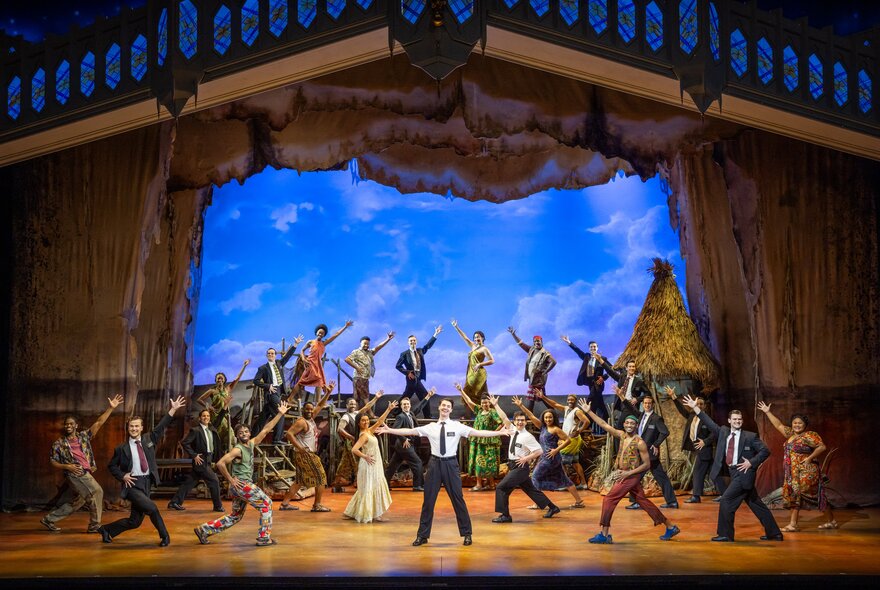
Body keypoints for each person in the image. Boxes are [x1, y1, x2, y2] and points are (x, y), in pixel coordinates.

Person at [377, 397, 508, 546]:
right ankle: (422, 535)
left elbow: (478, 433)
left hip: (451, 465)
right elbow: (411, 431)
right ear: (439, 408)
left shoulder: (457, 426)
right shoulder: (431, 426)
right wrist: (389, 430)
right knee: (428, 501)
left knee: (458, 500)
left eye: (448, 406)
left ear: (451, 410)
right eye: (443, 405)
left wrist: (498, 433)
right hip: (434, 465)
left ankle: (467, 534)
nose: (445, 408)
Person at [577, 399, 681, 544]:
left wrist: (628, 474)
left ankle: (604, 534)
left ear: (636, 426)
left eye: (632, 423)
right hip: (624, 474)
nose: (630, 425)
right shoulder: (622, 435)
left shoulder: (640, 442)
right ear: (624, 425)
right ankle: (670, 527)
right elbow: (603, 424)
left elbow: (646, 465)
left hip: (630, 476)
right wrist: (588, 412)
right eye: (627, 423)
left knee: (609, 499)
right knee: (642, 501)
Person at [681, 395, 783, 542]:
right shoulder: (723, 432)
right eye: (734, 419)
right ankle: (775, 533)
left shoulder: (750, 436)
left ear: (742, 421)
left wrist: (751, 462)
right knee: (756, 504)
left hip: (743, 474)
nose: (737, 421)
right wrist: (695, 407)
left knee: (726, 501)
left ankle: (726, 535)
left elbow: (765, 451)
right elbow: (709, 422)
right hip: (733, 472)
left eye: (739, 419)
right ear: (729, 421)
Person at [193, 400, 291, 547]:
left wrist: (280, 414)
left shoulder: (251, 444)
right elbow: (220, 463)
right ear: (238, 436)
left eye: (246, 432)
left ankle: (204, 529)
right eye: (240, 433)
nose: (244, 434)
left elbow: (266, 429)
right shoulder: (238, 449)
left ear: (249, 433)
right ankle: (264, 538)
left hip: (241, 486)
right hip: (242, 485)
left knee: (235, 516)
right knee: (267, 504)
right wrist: (231, 480)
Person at [97, 395, 186, 546]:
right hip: (132, 484)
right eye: (131, 426)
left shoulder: (149, 439)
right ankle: (165, 536)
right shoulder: (121, 448)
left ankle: (106, 530)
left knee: (135, 522)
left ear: (141, 428)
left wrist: (173, 409)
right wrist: (122, 476)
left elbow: (161, 426)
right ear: (128, 428)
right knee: (152, 508)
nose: (134, 429)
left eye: (137, 426)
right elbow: (112, 466)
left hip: (146, 483)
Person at [41, 394, 124, 534]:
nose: (68, 426)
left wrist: (111, 408)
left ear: (76, 426)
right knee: (97, 491)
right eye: (66, 424)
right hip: (76, 473)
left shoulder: (83, 437)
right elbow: (52, 461)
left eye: (71, 424)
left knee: (78, 502)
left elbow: (99, 422)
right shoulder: (59, 443)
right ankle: (94, 526)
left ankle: (49, 519)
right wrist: (67, 466)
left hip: (85, 471)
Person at [757, 401, 837, 531]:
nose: (797, 425)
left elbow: (822, 447)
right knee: (796, 495)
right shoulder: (790, 435)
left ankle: (830, 521)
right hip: (792, 473)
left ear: (805, 425)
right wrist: (767, 412)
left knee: (813, 495)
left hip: (806, 472)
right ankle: (795, 524)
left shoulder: (809, 435)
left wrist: (809, 459)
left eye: (800, 423)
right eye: (795, 423)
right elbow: (778, 425)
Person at [489, 397, 560, 523]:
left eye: (522, 420)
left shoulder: (528, 436)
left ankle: (505, 516)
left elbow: (539, 451)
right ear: (515, 422)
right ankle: (553, 507)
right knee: (531, 490)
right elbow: (504, 417)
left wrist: (526, 458)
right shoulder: (513, 430)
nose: (520, 422)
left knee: (501, 488)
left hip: (520, 467)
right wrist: (495, 405)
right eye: (518, 420)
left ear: (526, 422)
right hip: (513, 465)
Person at [513, 396, 585, 509]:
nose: (548, 419)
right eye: (546, 417)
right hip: (547, 458)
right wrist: (521, 405)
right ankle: (579, 501)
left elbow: (568, 440)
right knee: (564, 479)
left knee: (535, 477)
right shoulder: (542, 427)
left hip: (550, 458)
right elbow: (531, 416)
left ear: (553, 418)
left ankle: (538, 503)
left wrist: (556, 450)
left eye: (550, 417)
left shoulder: (556, 429)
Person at [280, 381, 337, 512]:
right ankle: (317, 505)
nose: (310, 411)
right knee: (321, 478)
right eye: (308, 409)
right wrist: (300, 448)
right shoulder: (301, 421)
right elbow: (289, 434)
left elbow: (321, 404)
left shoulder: (310, 419)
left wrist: (328, 392)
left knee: (299, 480)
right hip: (305, 454)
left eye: (311, 409)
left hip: (304, 454)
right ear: (303, 410)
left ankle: (285, 504)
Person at [615, 393, 678, 509]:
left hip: (650, 454)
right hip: (641, 453)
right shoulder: (641, 416)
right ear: (643, 405)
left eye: (649, 403)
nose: (647, 405)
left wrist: (656, 444)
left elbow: (665, 432)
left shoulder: (656, 418)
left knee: (636, 477)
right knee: (659, 477)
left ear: (653, 404)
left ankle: (637, 502)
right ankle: (671, 501)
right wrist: (621, 397)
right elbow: (630, 407)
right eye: (645, 403)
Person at [343, 398, 399, 523]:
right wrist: (365, 456)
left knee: (372, 487)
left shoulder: (368, 431)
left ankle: (366, 512)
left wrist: (388, 409)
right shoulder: (363, 435)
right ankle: (372, 514)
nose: (366, 422)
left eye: (367, 420)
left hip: (375, 464)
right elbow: (354, 449)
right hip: (368, 465)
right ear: (358, 423)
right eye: (363, 420)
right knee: (369, 488)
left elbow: (379, 421)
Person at [666, 385, 723, 503]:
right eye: (697, 404)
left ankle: (696, 496)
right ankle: (726, 494)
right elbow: (682, 410)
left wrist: (705, 441)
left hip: (704, 449)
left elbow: (715, 432)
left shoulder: (707, 419)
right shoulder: (691, 416)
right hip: (696, 449)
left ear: (705, 406)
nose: (699, 406)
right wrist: (673, 397)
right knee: (714, 472)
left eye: (701, 404)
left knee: (698, 472)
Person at [167, 409, 225, 512]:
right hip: (201, 460)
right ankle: (218, 506)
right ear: (200, 418)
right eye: (203, 416)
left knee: (190, 482)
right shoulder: (196, 430)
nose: (206, 417)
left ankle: (174, 502)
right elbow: (185, 443)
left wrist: (224, 408)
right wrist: (194, 455)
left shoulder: (211, 428)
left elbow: (219, 420)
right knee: (214, 481)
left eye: (207, 416)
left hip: (209, 459)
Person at [252, 337, 302, 444]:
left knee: (264, 415)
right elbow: (256, 381)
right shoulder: (263, 368)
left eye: (272, 353)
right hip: (271, 391)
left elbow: (288, 356)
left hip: (279, 391)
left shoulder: (279, 363)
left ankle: (253, 435)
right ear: (266, 355)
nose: (271, 355)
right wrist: (267, 386)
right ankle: (277, 439)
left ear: (275, 355)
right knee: (281, 412)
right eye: (269, 353)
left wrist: (295, 344)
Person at [384, 389, 435, 491]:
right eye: (404, 405)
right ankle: (417, 486)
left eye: (407, 404)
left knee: (393, 465)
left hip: (404, 445)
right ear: (401, 407)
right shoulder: (400, 417)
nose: (406, 406)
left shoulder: (411, 414)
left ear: (410, 405)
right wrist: (404, 439)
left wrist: (428, 396)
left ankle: (383, 485)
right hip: (404, 445)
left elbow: (420, 407)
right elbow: (395, 429)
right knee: (418, 463)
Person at [539, 392, 591, 489]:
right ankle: (584, 484)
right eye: (569, 399)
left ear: (575, 401)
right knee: (575, 462)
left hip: (571, 439)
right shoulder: (567, 409)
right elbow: (554, 404)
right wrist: (543, 397)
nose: (570, 401)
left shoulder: (577, 411)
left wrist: (579, 430)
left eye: (572, 399)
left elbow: (587, 421)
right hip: (572, 439)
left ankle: (565, 484)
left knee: (560, 461)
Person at [293, 321, 352, 406]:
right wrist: (303, 359)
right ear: (316, 332)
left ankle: (318, 402)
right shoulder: (310, 342)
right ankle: (291, 398)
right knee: (305, 382)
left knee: (318, 382)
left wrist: (345, 327)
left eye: (323, 333)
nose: (321, 334)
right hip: (310, 363)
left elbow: (335, 335)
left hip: (317, 365)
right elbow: (302, 350)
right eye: (320, 332)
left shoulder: (324, 343)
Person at [196, 358, 250, 452]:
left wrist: (244, 366)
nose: (220, 379)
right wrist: (208, 406)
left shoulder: (227, 389)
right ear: (216, 380)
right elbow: (199, 399)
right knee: (218, 436)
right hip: (216, 416)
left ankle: (230, 455)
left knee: (230, 435)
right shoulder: (212, 391)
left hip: (225, 415)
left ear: (224, 380)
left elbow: (237, 378)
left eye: (221, 378)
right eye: (218, 378)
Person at [455, 384, 502, 491]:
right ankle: (482, 484)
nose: (484, 404)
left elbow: (502, 423)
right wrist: (461, 390)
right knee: (478, 462)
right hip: (478, 440)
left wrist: (494, 433)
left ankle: (489, 484)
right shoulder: (479, 411)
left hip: (488, 441)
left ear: (490, 402)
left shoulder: (493, 412)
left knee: (489, 462)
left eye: (486, 402)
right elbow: (468, 401)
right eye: (483, 402)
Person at [560, 336, 609, 434]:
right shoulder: (587, 356)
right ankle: (605, 424)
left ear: (597, 348)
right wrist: (569, 342)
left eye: (594, 347)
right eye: (591, 347)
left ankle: (587, 427)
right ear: (589, 348)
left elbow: (611, 369)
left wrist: (603, 377)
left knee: (589, 402)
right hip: (590, 384)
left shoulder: (603, 358)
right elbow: (577, 351)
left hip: (598, 384)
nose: (593, 349)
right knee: (598, 405)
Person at [334, 394, 382, 489]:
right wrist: (351, 437)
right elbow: (340, 429)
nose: (352, 405)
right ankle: (359, 482)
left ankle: (339, 481)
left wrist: (376, 398)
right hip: (352, 442)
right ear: (347, 405)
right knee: (357, 462)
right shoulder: (346, 417)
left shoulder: (357, 414)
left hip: (360, 440)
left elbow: (367, 406)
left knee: (346, 462)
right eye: (350, 404)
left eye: (354, 404)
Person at [395, 326, 442, 419]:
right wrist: (408, 372)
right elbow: (398, 366)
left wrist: (435, 334)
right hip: (411, 378)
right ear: (408, 343)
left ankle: (395, 413)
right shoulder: (404, 354)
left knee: (406, 395)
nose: (413, 342)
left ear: (416, 342)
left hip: (418, 377)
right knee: (425, 396)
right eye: (411, 341)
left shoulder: (420, 351)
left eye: (414, 340)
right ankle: (428, 417)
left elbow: (427, 346)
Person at [345, 332, 394, 416]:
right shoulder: (356, 352)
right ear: (361, 343)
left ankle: (356, 414)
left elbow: (378, 347)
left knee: (360, 397)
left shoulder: (369, 352)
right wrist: (357, 367)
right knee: (364, 397)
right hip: (358, 377)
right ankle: (369, 413)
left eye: (368, 344)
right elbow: (347, 359)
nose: (366, 345)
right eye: (364, 343)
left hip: (365, 378)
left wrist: (388, 339)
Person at [508, 329, 557, 412]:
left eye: (538, 341)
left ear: (541, 342)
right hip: (533, 378)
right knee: (538, 397)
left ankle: (549, 411)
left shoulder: (545, 353)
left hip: (538, 379)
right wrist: (514, 335)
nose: (536, 343)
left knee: (535, 397)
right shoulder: (532, 349)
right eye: (535, 341)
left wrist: (545, 372)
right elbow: (521, 344)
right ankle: (551, 411)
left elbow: (553, 362)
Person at [450, 319, 494, 405]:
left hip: (478, 373)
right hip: (471, 372)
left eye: (478, 337)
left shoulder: (484, 349)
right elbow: (465, 338)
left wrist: (480, 364)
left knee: (471, 392)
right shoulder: (473, 346)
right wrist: (456, 327)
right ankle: (473, 412)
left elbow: (492, 360)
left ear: (482, 338)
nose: (476, 338)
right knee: (475, 393)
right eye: (475, 337)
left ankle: (472, 413)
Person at [600, 357, 650, 427]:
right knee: (627, 425)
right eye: (630, 366)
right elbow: (610, 371)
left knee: (620, 426)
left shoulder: (639, 381)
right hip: (621, 404)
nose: (632, 368)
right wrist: (600, 360)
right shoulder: (622, 378)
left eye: (633, 367)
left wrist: (637, 399)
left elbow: (648, 393)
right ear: (626, 368)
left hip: (631, 405)